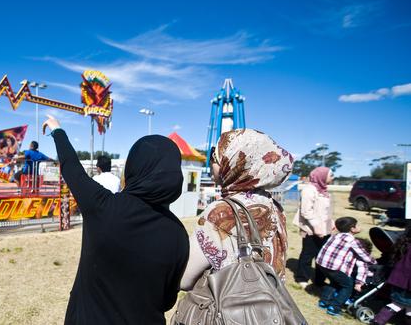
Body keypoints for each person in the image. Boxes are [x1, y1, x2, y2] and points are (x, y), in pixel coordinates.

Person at [42, 115, 189, 324]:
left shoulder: (103, 206)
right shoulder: (179, 234)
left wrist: (57, 131)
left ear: (134, 167)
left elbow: (72, 169)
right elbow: (167, 300)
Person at [180, 129, 292, 291]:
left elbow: (184, 280)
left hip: (231, 310)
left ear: (235, 162)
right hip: (271, 305)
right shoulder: (274, 206)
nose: (211, 162)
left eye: (216, 156)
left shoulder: (221, 212)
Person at [316, 217, 376, 316]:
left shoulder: (335, 235)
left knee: (334, 282)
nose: (359, 227)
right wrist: (374, 261)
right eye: (357, 225)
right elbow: (364, 255)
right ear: (352, 229)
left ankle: (324, 302)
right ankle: (334, 307)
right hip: (334, 267)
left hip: (322, 264)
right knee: (347, 286)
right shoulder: (352, 241)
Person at [293, 166, 335, 288]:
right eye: (330, 175)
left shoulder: (324, 191)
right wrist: (316, 227)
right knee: (308, 254)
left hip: (325, 229)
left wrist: (331, 223)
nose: (333, 178)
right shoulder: (309, 190)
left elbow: (326, 211)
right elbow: (306, 211)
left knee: (322, 255)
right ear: (321, 176)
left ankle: (320, 281)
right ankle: (302, 278)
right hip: (311, 229)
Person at [371, 226, 411, 325]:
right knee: (397, 304)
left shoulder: (405, 244)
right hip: (407, 284)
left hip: (399, 281)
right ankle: (377, 322)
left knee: (406, 307)